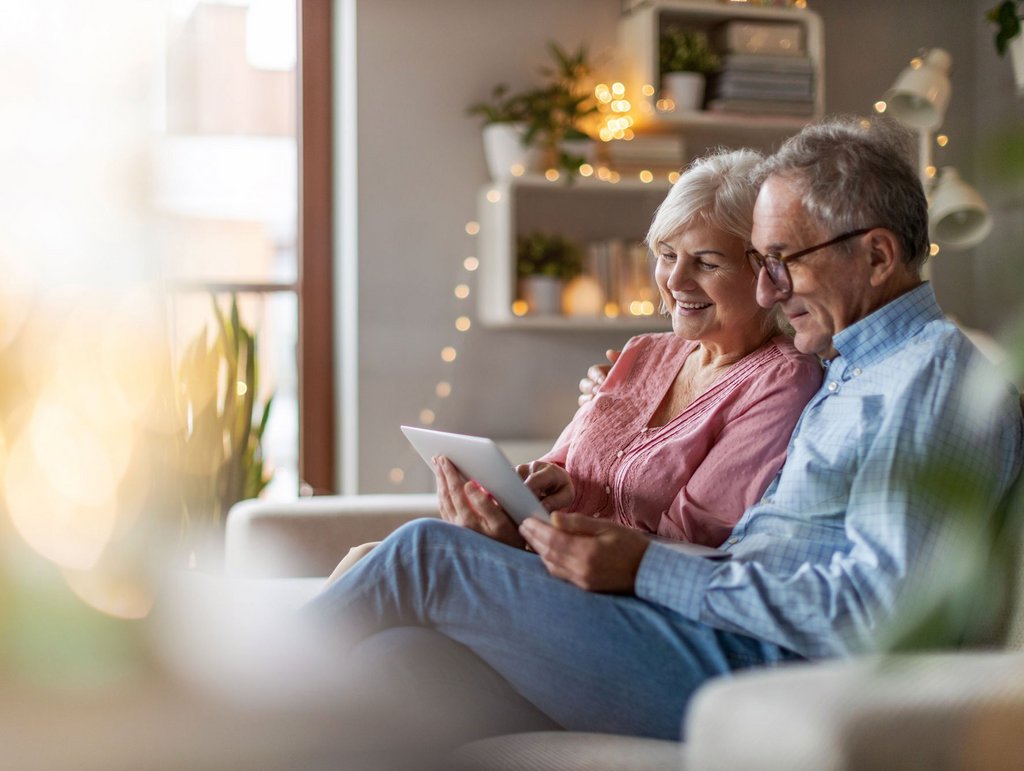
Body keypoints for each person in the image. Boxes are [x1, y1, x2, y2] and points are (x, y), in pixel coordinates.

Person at [308, 115, 1023, 745]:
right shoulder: (852, 367)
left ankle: (213, 703)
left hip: (772, 672)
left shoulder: (930, 380)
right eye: (763, 263)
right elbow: (762, 554)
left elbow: (876, 618)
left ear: (875, 255)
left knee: (427, 555)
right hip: (720, 641)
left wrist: (646, 568)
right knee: (397, 660)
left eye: (782, 262)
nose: (770, 291)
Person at [324, 149, 821, 585]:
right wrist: (545, 488)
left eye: (707, 263)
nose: (675, 280)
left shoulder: (782, 379)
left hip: (619, 599)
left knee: (397, 556)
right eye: (667, 255)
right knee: (371, 560)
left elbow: (693, 540)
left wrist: (528, 538)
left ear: (766, 274)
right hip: (551, 563)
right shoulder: (644, 352)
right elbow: (566, 469)